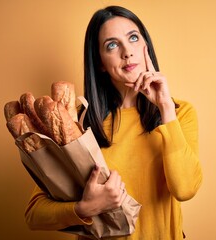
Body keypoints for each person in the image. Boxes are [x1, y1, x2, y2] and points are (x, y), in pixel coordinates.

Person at [24, 5, 202, 240]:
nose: (127, 52)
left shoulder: (179, 112)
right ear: (100, 62)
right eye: (112, 45)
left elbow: (185, 189)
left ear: (145, 46)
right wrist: (86, 207)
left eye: (133, 38)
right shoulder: (76, 122)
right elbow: (34, 214)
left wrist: (165, 106)